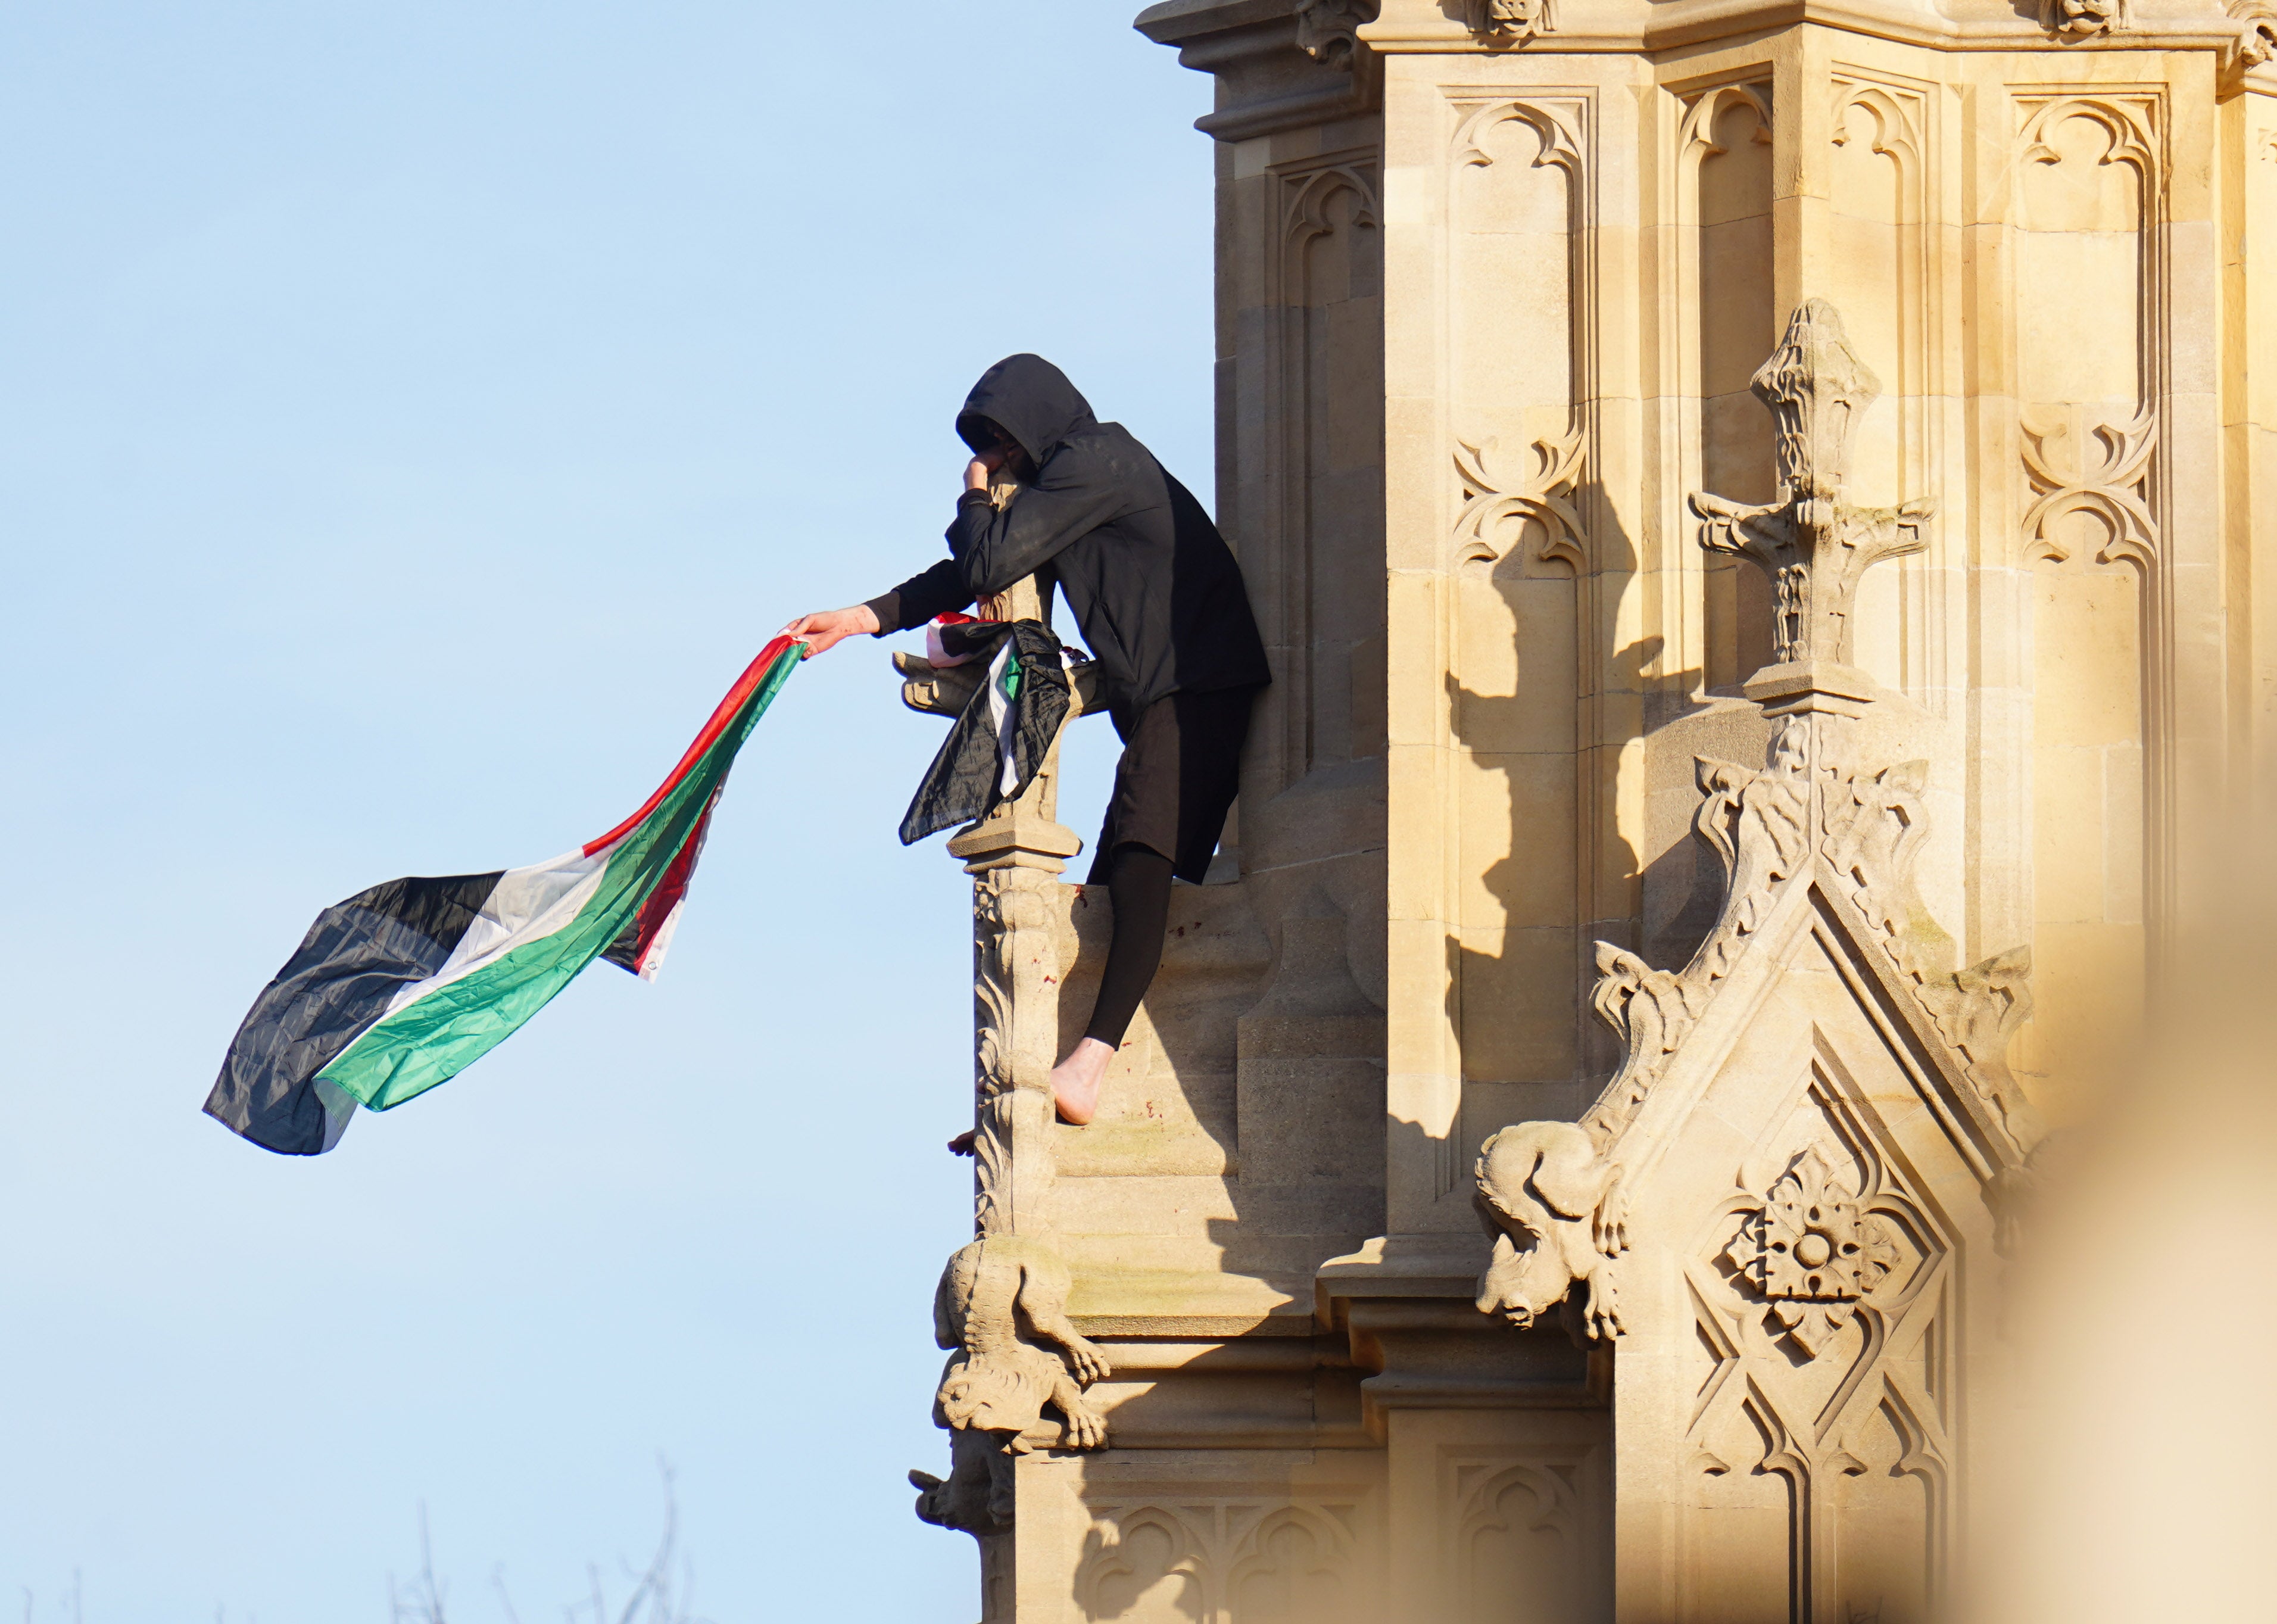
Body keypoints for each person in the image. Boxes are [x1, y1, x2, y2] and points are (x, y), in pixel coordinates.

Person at [785, 354, 1269, 1138]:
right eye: (991, 451)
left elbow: (987, 559)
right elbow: (966, 575)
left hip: (1201, 685)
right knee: (1112, 889)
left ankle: (1088, 1064)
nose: (1000, 462)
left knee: (1142, 866)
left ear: (1034, 424)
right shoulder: (1073, 486)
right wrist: (862, 617)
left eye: (1003, 445)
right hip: (1166, 700)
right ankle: (1051, 1083)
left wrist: (975, 491)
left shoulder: (1096, 460)